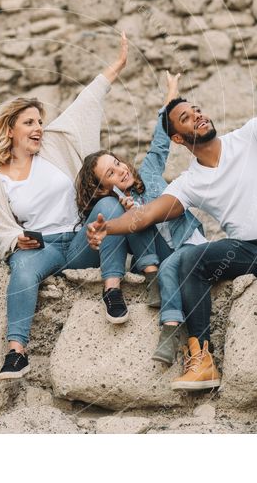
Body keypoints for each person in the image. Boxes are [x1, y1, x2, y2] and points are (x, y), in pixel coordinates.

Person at [88, 41, 257, 421]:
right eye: (185, 118)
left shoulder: (248, 137)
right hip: (246, 250)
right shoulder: (190, 182)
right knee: (191, 258)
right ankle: (202, 359)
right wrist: (107, 226)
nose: (197, 116)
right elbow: (144, 217)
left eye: (197, 110)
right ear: (178, 139)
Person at [0, 32, 128, 380]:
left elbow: (87, 101)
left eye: (39, 121)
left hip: (81, 241)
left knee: (109, 206)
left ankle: (112, 292)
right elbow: (3, 228)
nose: (38, 127)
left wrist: (117, 66)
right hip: (42, 248)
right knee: (22, 269)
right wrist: (20, 241)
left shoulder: (55, 146)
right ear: (11, 130)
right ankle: (17, 353)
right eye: (29, 122)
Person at [74, 70, 207, 365]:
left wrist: (171, 91)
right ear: (103, 186)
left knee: (166, 255)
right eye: (110, 173)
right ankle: (151, 276)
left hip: (186, 240)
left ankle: (169, 329)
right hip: (159, 252)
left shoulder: (147, 173)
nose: (120, 169)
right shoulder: (114, 204)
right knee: (132, 217)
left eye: (117, 162)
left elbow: (161, 139)